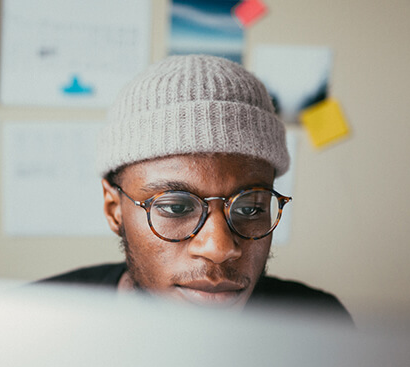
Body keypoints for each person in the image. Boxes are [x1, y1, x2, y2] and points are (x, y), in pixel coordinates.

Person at [38, 55, 352, 324]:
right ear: (114, 209)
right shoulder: (37, 322)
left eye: (250, 208)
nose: (219, 247)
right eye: (175, 207)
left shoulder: (317, 323)